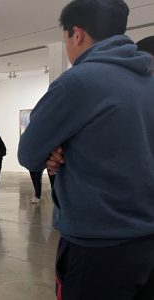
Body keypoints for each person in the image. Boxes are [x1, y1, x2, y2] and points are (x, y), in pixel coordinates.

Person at [18, 0, 154, 299]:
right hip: (147, 240)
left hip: (96, 247)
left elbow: (28, 154)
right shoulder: (148, 79)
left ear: (76, 33)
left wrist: (54, 149)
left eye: (65, 37)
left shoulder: (78, 82)